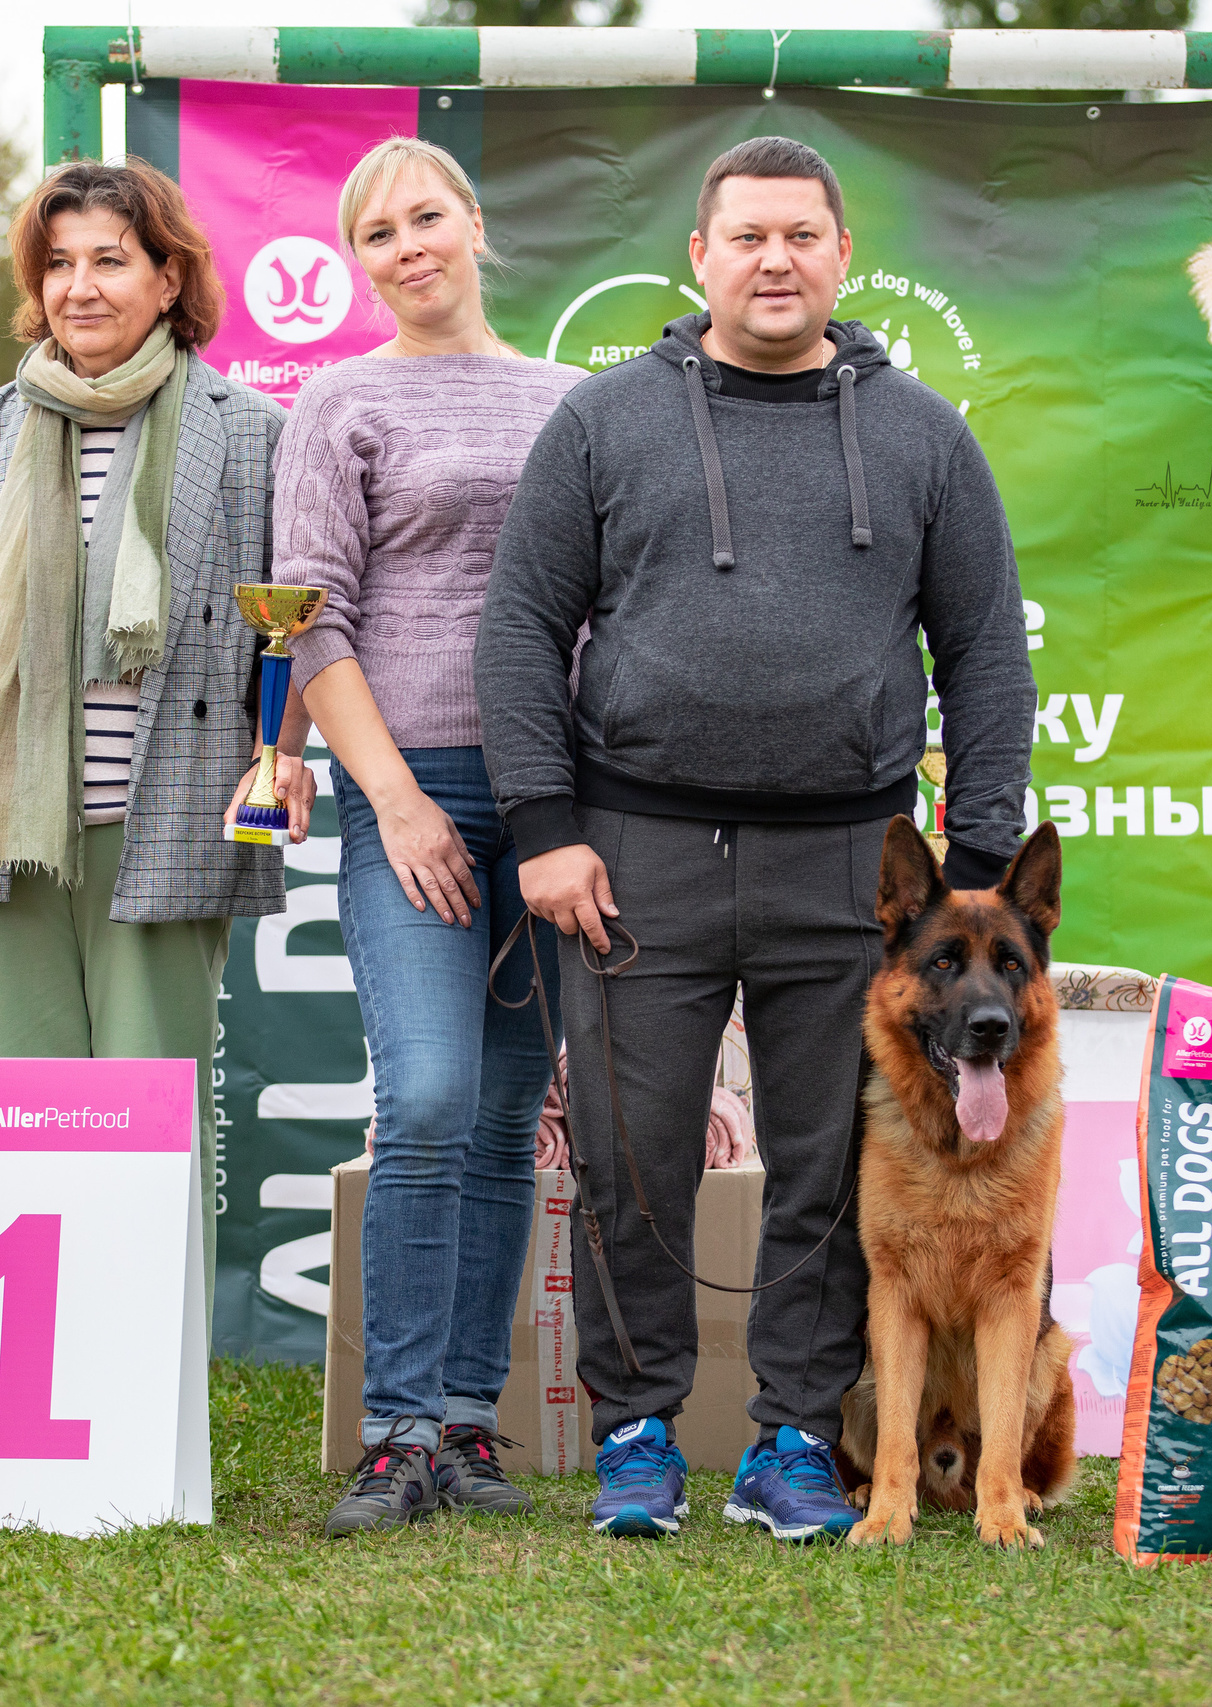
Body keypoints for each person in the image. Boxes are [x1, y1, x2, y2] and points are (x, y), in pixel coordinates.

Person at [474, 137, 1037, 1543]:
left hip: (854, 870)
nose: (774, 259)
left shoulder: (924, 435)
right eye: (747, 237)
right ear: (700, 261)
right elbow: (520, 633)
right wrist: (546, 828)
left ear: (843, 258)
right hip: (635, 849)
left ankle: (794, 1429)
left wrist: (978, 859)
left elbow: (983, 655)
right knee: (631, 1152)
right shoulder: (605, 423)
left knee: (827, 1163)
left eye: (801, 235)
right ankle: (639, 1431)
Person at [0, 160, 289, 1310]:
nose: (81, 287)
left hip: (166, 824)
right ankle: (39, 1378)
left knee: (147, 1125)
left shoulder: (250, 432)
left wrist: (281, 757)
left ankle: (145, 1383)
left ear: (167, 274)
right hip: (8, 826)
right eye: (60, 262)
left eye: (110, 260)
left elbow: (286, 629)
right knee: (24, 1120)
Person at [248, 138, 583, 1536]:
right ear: (362, 262)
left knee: (510, 1115)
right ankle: (392, 1431)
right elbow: (308, 617)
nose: (406, 244)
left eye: (426, 215)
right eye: (376, 232)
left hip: (561, 801)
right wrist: (394, 798)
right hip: (415, 786)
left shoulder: (576, 402)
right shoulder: (340, 404)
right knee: (431, 1098)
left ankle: (463, 1418)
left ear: (477, 222)